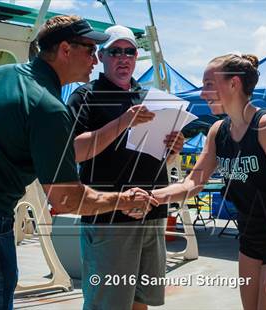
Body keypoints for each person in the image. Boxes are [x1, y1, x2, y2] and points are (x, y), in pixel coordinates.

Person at [0, 16, 156, 310]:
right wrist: (123, 200)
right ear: (65, 50)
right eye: (91, 50)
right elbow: (65, 199)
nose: (95, 59)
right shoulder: (48, 107)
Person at [151, 54, 266, 310]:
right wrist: (155, 196)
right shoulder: (218, 132)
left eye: (208, 85)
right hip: (250, 233)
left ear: (234, 84)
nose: (203, 94)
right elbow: (193, 182)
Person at [67, 25, 184, 310]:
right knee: (107, 304)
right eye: (115, 51)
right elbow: (74, 151)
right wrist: (122, 122)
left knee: (141, 301)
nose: (123, 57)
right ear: (101, 56)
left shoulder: (152, 98)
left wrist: (172, 148)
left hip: (152, 213)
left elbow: (151, 158)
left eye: (129, 51)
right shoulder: (86, 96)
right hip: (110, 219)